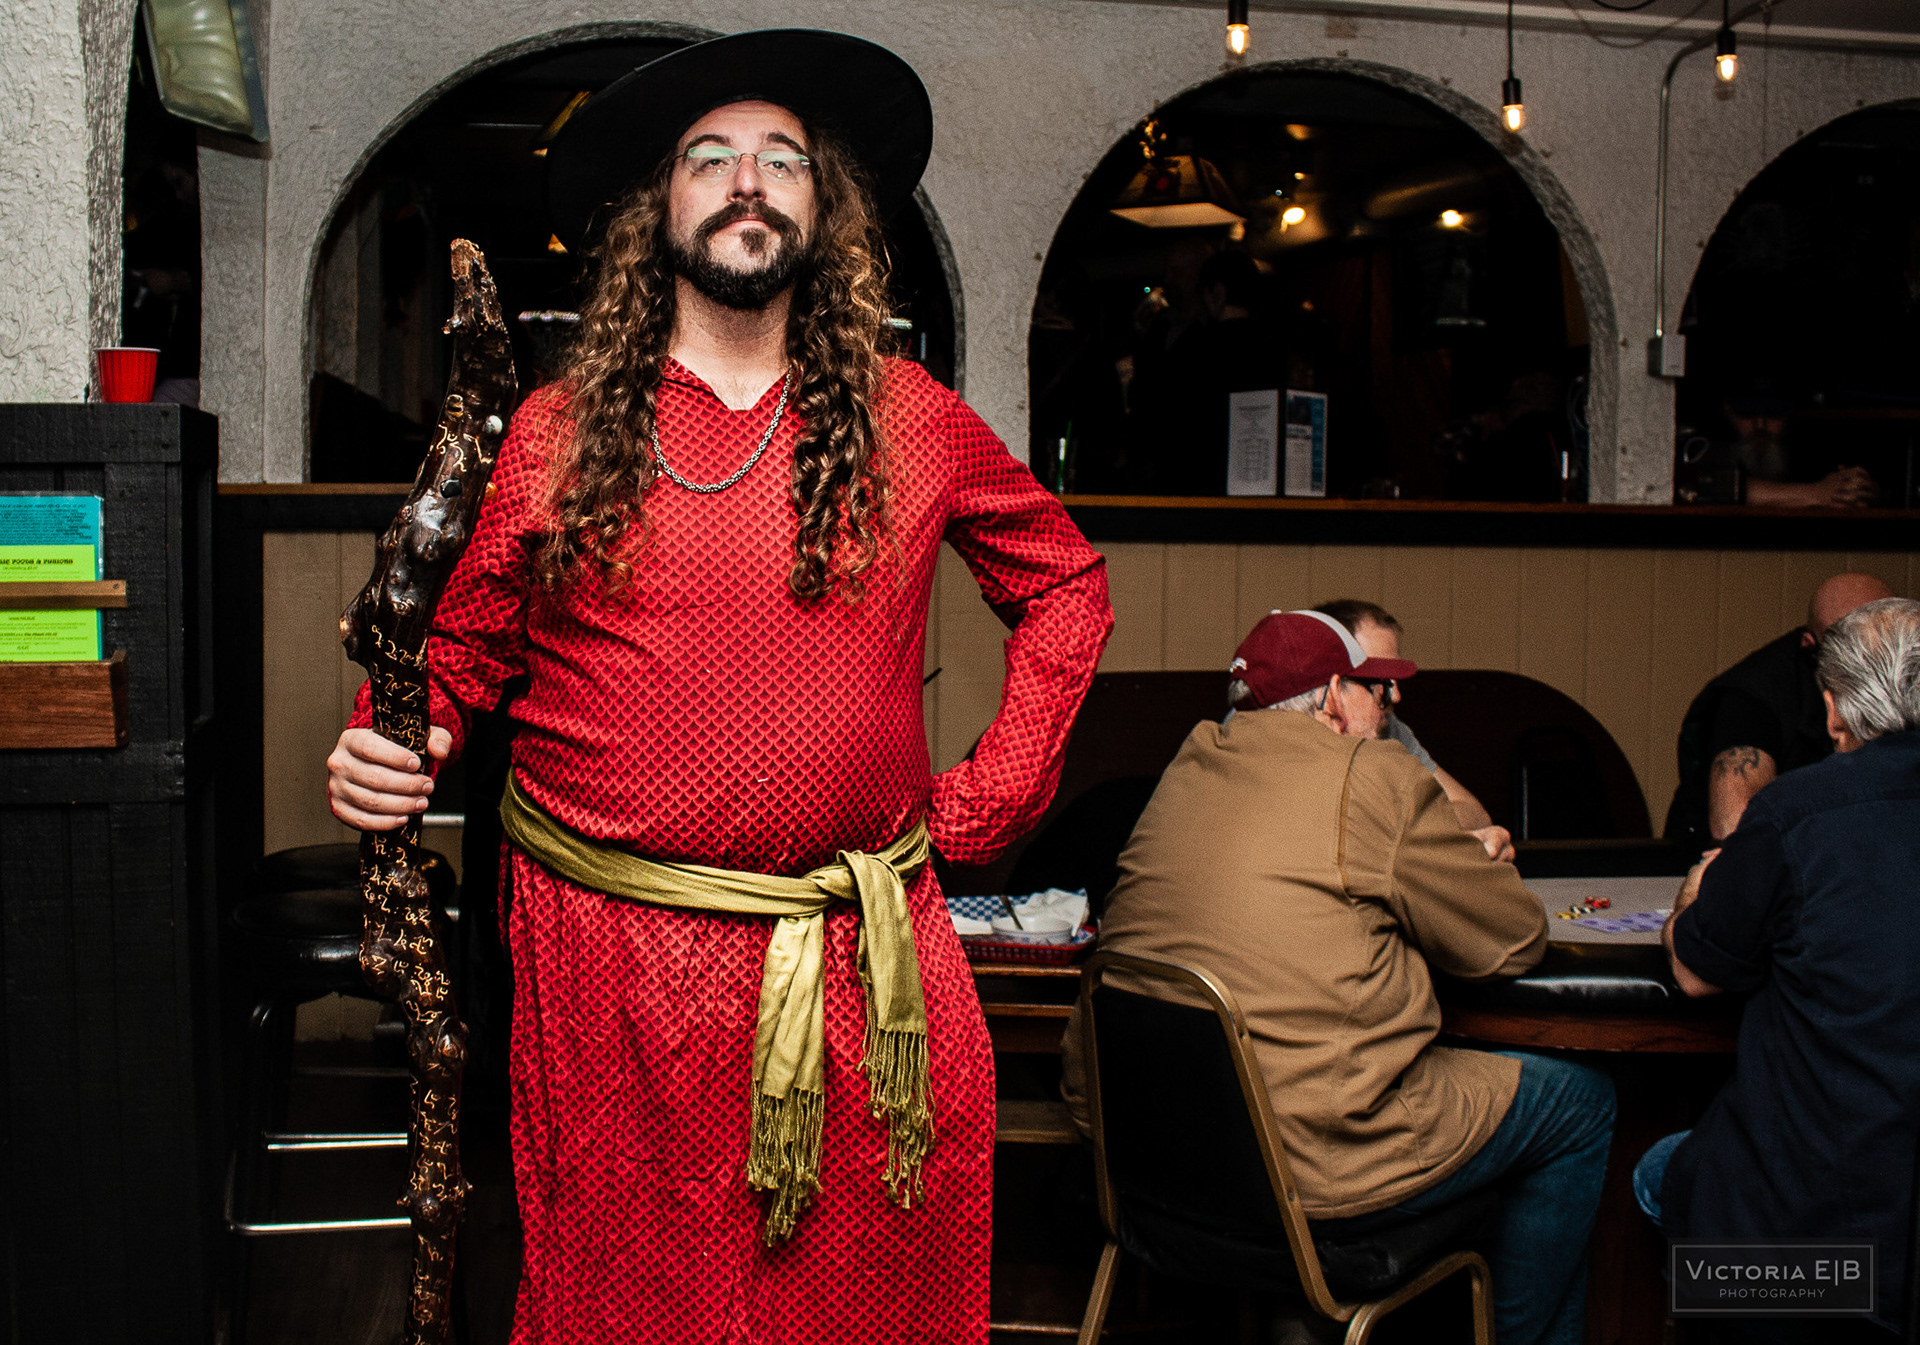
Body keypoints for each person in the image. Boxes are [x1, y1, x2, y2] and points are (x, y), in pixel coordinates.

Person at [325, 30, 1113, 1343]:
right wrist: (391, 741)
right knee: (633, 1304)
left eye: (782, 160)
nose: (750, 182)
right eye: (711, 158)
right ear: (657, 209)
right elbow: (457, 654)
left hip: (858, 962)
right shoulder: (556, 431)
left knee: (859, 1304)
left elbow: (1064, 581)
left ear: (824, 208)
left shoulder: (912, 416)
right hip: (615, 973)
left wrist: (993, 795)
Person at [1063, 609, 1615, 1345]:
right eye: (1375, 692)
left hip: (1151, 1168)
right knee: (1580, 1102)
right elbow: (1511, 942)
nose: (1388, 711)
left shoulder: (1184, 772)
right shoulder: (1371, 773)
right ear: (1331, 696)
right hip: (1314, 1173)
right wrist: (1464, 866)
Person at [1636, 597, 1920, 1340]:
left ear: (1834, 711)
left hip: (1818, 1242)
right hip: (1900, 1234)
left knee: (1659, 1171)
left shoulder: (1797, 810)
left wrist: (1696, 892)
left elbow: (1695, 972)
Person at [1667, 572, 1895, 845]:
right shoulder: (1751, 698)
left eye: (1885, 645)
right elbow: (1737, 830)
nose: (1868, 664)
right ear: (1811, 645)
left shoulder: (1903, 679)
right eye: (1849, 650)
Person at [1314, 598, 1513, 862]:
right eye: (1379, 679)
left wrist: (1418, 832)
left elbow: (1473, 813)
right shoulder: (1297, 736)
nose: (1395, 695)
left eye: (1394, 677)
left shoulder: (1387, 726)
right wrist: (1428, 835)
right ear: (1333, 686)